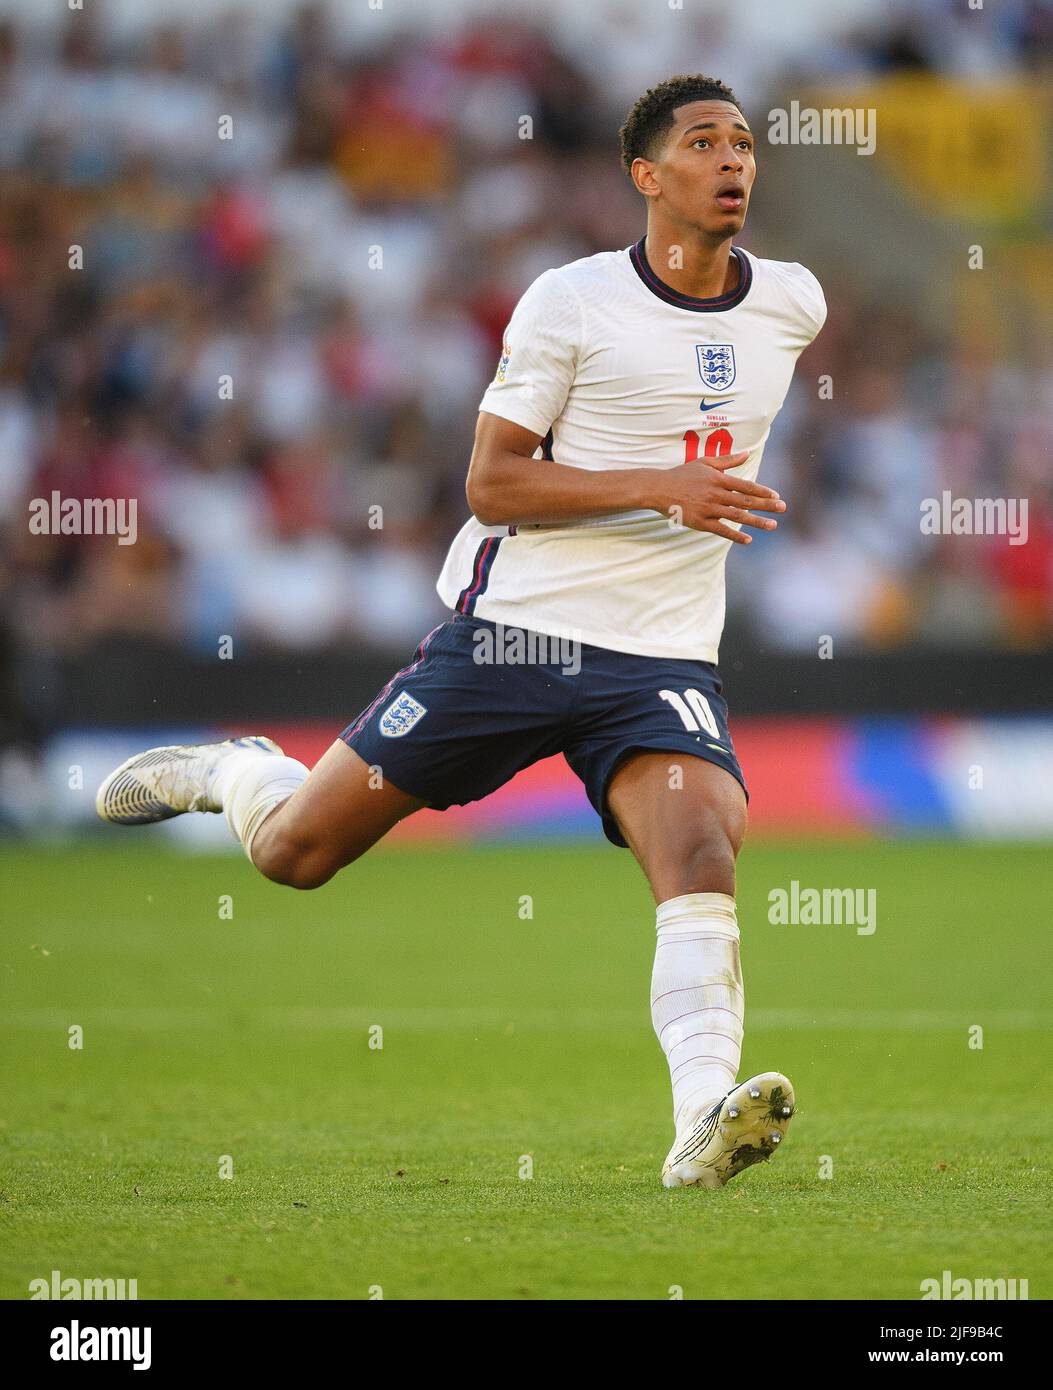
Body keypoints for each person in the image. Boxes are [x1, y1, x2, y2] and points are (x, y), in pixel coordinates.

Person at [97, 75, 825, 1189]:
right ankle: (240, 770)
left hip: (665, 653)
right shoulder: (570, 302)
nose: (733, 162)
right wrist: (660, 486)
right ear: (646, 175)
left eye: (743, 142)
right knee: (296, 853)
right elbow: (492, 482)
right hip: (519, 635)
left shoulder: (792, 301)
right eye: (704, 144)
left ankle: (699, 1124)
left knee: (702, 849)